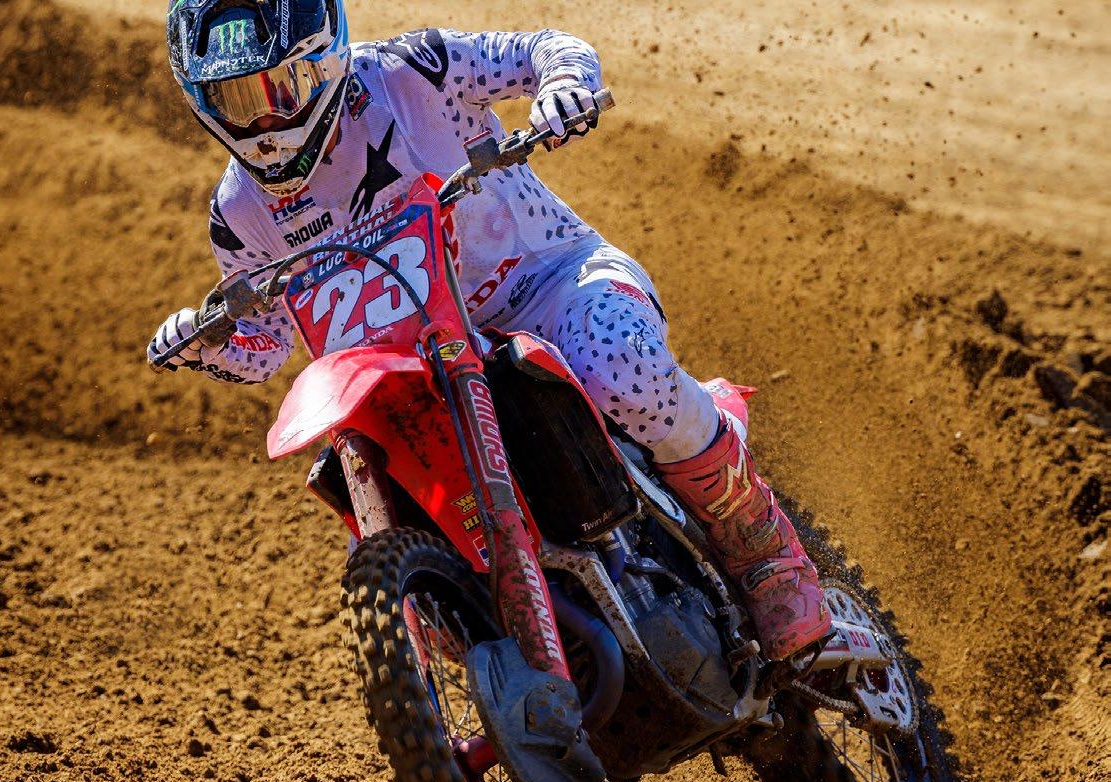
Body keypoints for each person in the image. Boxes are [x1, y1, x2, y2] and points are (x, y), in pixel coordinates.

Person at [147, 0, 830, 661]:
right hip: (418, 371)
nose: (262, 120)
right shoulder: (238, 213)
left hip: (547, 286)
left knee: (620, 366)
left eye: (278, 88)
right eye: (236, 99)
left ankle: (763, 549)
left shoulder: (410, 70)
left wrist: (564, 89)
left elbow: (544, 50)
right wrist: (211, 346)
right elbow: (266, 345)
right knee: (402, 559)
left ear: (321, 60)